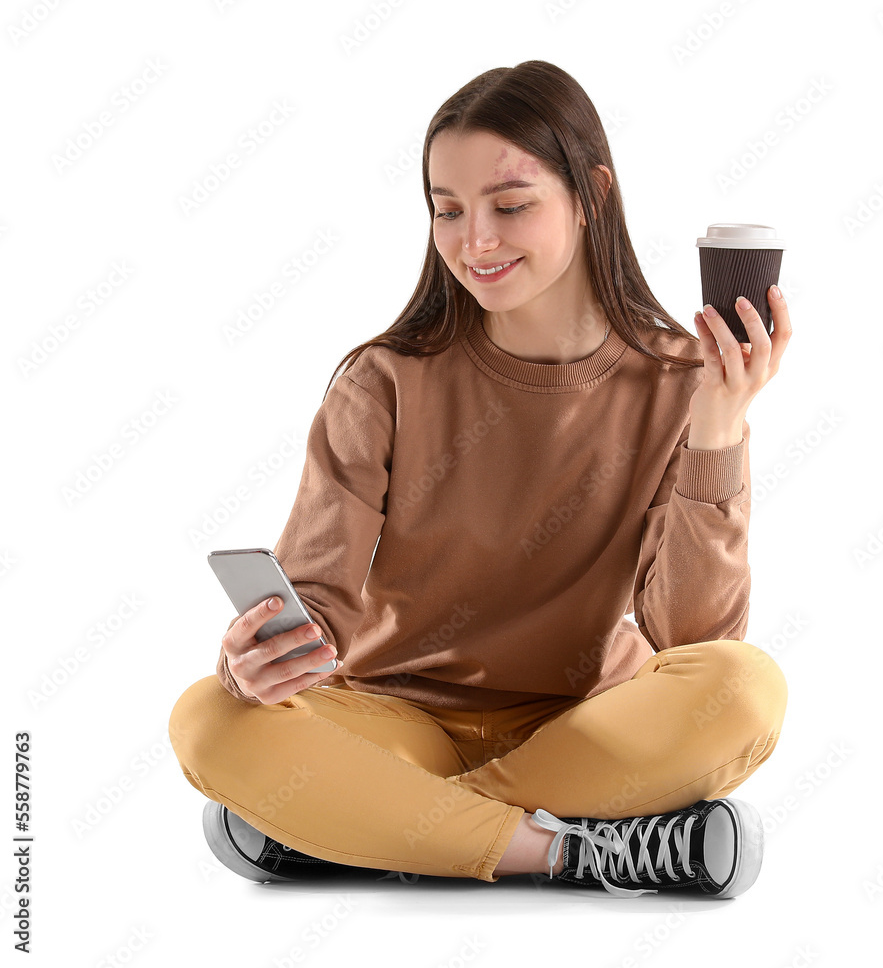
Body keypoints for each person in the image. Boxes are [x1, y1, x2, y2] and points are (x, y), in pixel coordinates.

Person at [169, 59, 791, 900]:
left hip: (581, 726)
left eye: (511, 205)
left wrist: (719, 425)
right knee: (209, 719)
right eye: (448, 210)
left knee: (745, 688)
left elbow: (694, 637)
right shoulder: (383, 380)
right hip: (396, 720)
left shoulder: (681, 380)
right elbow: (316, 604)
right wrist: (259, 664)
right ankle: (569, 850)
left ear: (592, 194)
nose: (476, 242)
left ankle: (367, 830)